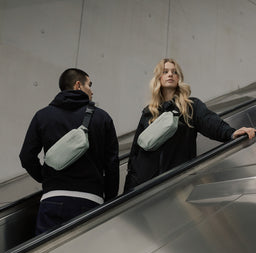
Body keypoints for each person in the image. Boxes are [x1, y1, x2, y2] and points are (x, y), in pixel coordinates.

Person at [124, 58, 256, 191]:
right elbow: (135, 153)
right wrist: (129, 189)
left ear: (178, 78)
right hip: (145, 186)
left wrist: (231, 133)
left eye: (174, 72)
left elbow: (210, 122)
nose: (170, 74)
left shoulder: (190, 107)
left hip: (177, 182)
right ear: (158, 78)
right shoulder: (149, 112)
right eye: (165, 72)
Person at [19, 68, 119, 235]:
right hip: (91, 201)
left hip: (53, 199)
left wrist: (46, 178)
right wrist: (108, 200)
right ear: (78, 85)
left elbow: (26, 156)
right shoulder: (102, 118)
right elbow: (112, 164)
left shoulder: (43, 116)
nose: (92, 91)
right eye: (90, 85)